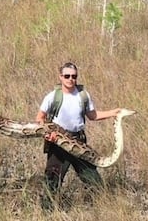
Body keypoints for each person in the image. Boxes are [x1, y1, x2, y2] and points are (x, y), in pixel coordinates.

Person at [35, 62, 121, 210]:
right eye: (67, 76)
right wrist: (49, 134)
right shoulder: (52, 96)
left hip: (79, 142)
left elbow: (92, 115)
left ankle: (100, 208)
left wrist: (114, 112)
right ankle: (47, 212)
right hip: (58, 142)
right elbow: (40, 118)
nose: (70, 79)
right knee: (52, 180)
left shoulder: (83, 95)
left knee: (93, 179)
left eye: (74, 76)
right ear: (60, 77)